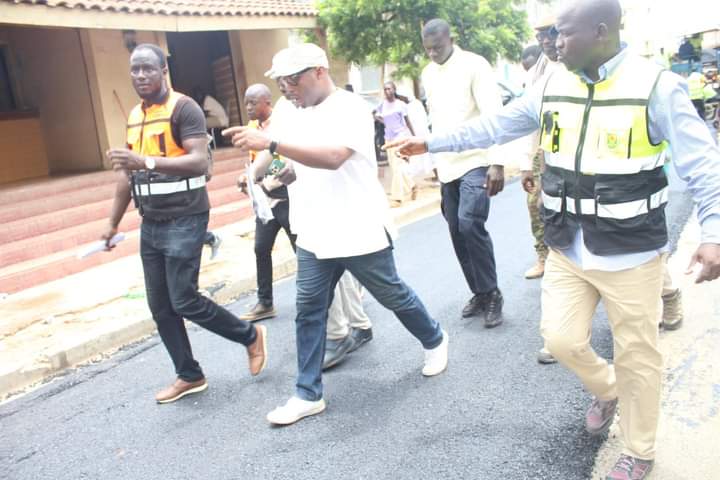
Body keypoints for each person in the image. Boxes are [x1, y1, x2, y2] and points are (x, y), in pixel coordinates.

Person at [386, 1, 720, 477]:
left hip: (631, 251)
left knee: (638, 356)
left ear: (601, 30)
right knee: (560, 340)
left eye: (563, 34)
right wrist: (433, 142)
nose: (553, 44)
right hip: (568, 245)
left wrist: (714, 232)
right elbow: (498, 124)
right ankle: (607, 388)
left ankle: (638, 450)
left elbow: (704, 165)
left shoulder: (656, 87)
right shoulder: (551, 84)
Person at [224, 43, 448, 426]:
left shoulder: (351, 108)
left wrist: (272, 145)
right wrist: (257, 174)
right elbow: (276, 152)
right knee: (309, 311)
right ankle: (307, 393)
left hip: (356, 226)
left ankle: (434, 339)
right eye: (281, 84)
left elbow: (333, 157)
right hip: (313, 230)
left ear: (318, 73)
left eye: (291, 82)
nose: (287, 90)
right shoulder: (289, 110)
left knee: (392, 293)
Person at [102, 44, 267, 404]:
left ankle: (249, 336)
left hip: (186, 217)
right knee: (160, 306)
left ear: (164, 71)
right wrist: (112, 223)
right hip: (152, 222)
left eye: (148, 69)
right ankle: (189, 374)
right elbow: (126, 175)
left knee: (184, 299)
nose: (140, 76)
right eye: (135, 70)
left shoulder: (185, 108)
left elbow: (197, 162)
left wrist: (144, 161)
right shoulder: (135, 115)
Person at [420, 19, 505, 327]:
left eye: (437, 47)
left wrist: (497, 161)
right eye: (427, 49)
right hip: (446, 166)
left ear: (451, 39)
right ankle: (480, 292)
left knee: (470, 225)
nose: (432, 54)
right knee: (456, 231)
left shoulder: (475, 65)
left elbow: (493, 115)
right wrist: (432, 161)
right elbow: (435, 121)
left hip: (477, 160)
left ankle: (493, 293)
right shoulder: (428, 73)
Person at [521, 15, 565, 365]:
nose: (547, 41)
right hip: (547, 159)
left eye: (551, 33)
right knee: (558, 249)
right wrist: (529, 163)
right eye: (541, 36)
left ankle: (666, 293)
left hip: (591, 171)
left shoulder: (580, 66)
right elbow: (522, 121)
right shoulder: (538, 73)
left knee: (617, 252)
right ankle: (558, 335)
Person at [236, 84, 297, 322]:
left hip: (285, 197)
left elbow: (281, 161)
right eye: (246, 103)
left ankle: (318, 297)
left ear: (266, 103)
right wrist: (248, 178)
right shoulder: (252, 128)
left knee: (302, 251)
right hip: (265, 201)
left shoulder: (278, 126)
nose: (248, 107)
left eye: (253, 103)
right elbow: (254, 160)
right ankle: (265, 302)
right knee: (261, 248)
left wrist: (260, 175)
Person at [375, 81, 417, 207]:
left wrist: (414, 137)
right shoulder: (382, 105)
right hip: (388, 139)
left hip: (400, 137)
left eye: (389, 89)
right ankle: (413, 186)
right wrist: (384, 121)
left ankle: (397, 198)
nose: (387, 91)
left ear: (394, 90)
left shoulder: (401, 105)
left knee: (398, 168)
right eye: (385, 89)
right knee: (395, 168)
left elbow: (407, 121)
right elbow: (375, 115)